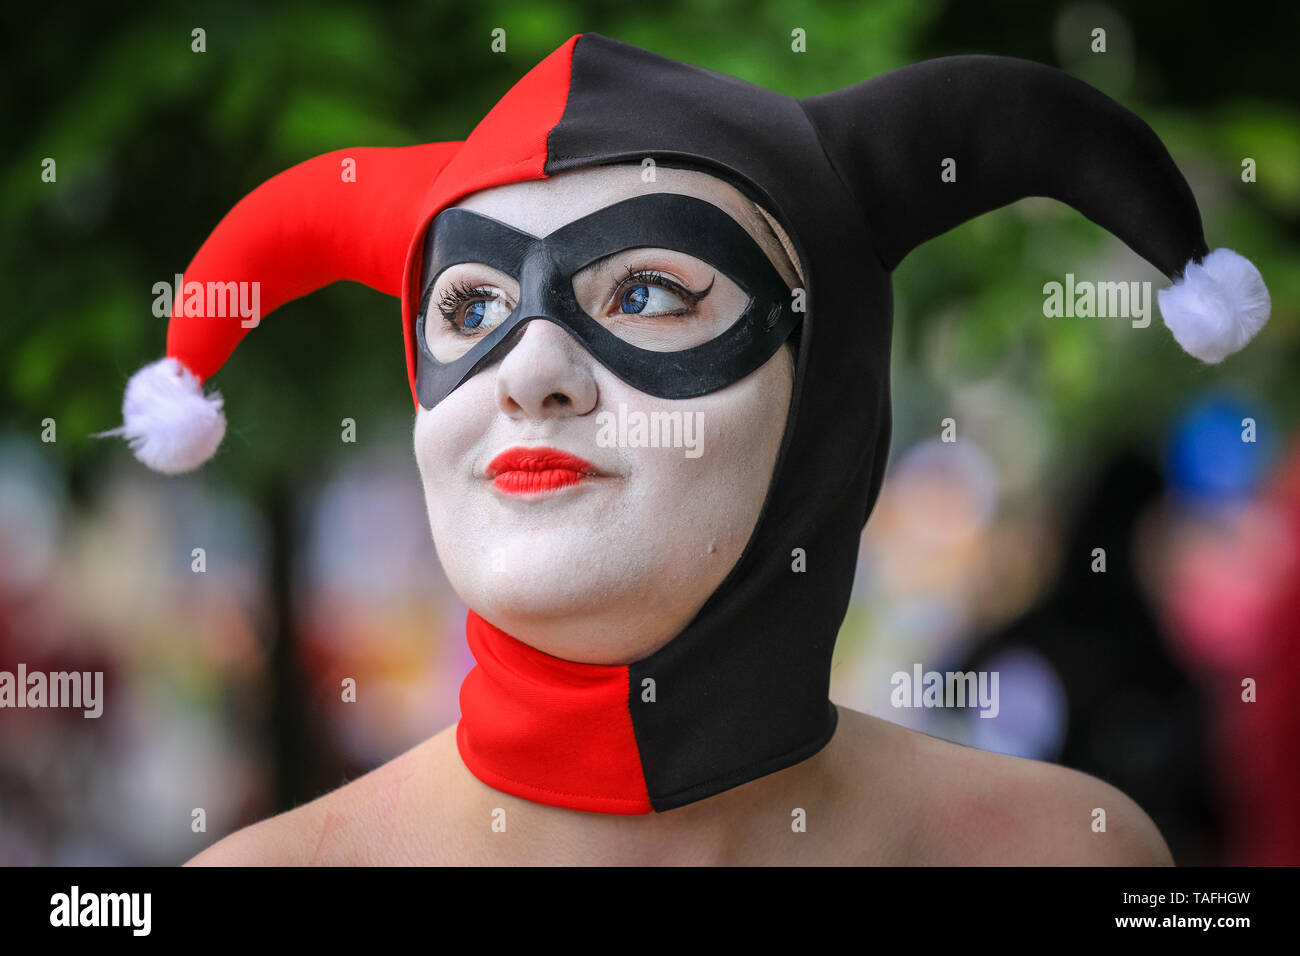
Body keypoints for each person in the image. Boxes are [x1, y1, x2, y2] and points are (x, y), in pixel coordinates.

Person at [102, 33, 1269, 865]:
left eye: (651, 287)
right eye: (468, 309)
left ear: (828, 391)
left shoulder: (1068, 852)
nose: (526, 369)